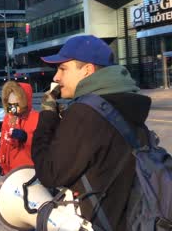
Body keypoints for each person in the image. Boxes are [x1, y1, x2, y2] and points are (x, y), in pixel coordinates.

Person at [32, 35, 150, 230]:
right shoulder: (124, 102)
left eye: (63, 68)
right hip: (134, 219)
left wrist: (47, 116)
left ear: (87, 70)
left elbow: (50, 173)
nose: (56, 77)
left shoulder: (84, 113)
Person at [0, 81, 39, 176]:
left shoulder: (36, 118)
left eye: (15, 103)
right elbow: (4, 141)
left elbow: (41, 144)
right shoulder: (8, 118)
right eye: (10, 103)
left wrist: (26, 138)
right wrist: (0, 160)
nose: (12, 107)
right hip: (11, 170)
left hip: (30, 169)